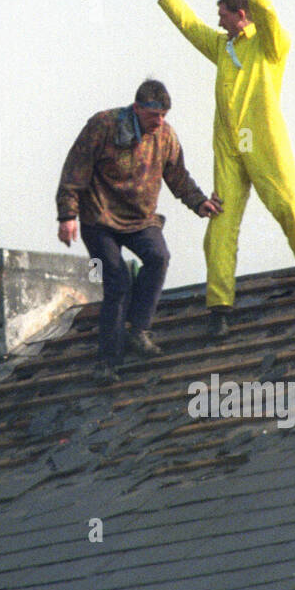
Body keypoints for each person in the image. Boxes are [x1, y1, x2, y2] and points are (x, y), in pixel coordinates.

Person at [150, 0, 295, 339]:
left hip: (263, 139)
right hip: (230, 146)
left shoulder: (269, 45)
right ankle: (219, 303)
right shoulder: (222, 47)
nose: (218, 21)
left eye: (224, 15)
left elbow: (266, 11)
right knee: (221, 224)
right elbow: (190, 25)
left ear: (240, 15)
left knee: (287, 203)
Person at [57, 79, 221, 381]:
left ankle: (139, 330)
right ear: (136, 108)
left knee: (159, 257)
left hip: (141, 218)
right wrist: (67, 215)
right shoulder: (103, 125)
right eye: (152, 116)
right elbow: (74, 171)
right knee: (117, 280)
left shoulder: (166, 136)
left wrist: (198, 203)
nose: (158, 122)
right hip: (100, 217)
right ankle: (107, 361)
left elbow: (177, 175)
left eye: (163, 116)